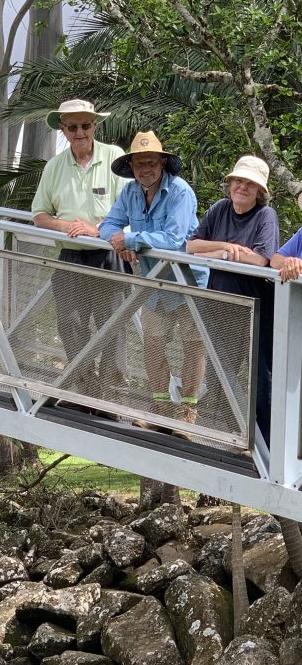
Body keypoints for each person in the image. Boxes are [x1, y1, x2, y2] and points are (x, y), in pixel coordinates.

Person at [99, 132, 209, 423]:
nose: (144, 169)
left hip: (187, 283)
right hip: (153, 282)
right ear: (131, 167)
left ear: (162, 163)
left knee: (193, 345)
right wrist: (117, 240)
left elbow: (174, 239)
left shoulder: (181, 192)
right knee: (154, 343)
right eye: (138, 163)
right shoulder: (130, 192)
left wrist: (131, 239)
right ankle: (160, 408)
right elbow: (108, 224)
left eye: (150, 162)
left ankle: (188, 412)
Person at [31, 98, 129, 397]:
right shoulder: (54, 167)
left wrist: (97, 230)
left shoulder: (116, 157)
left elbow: (130, 212)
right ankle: (85, 389)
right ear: (62, 129)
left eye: (86, 125)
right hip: (71, 256)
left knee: (113, 326)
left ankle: (112, 393)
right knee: (70, 323)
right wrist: (67, 226)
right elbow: (39, 214)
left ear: (95, 125)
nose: (79, 132)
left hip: (110, 255)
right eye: (72, 126)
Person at [187, 156, 278, 444]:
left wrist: (213, 254)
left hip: (257, 308)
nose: (243, 187)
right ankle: (233, 437)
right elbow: (192, 246)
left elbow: (260, 259)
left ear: (259, 190)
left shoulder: (266, 216)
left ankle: (265, 447)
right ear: (230, 184)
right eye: (239, 180)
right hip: (221, 306)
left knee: (260, 379)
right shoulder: (220, 209)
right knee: (219, 374)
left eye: (250, 184)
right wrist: (226, 250)